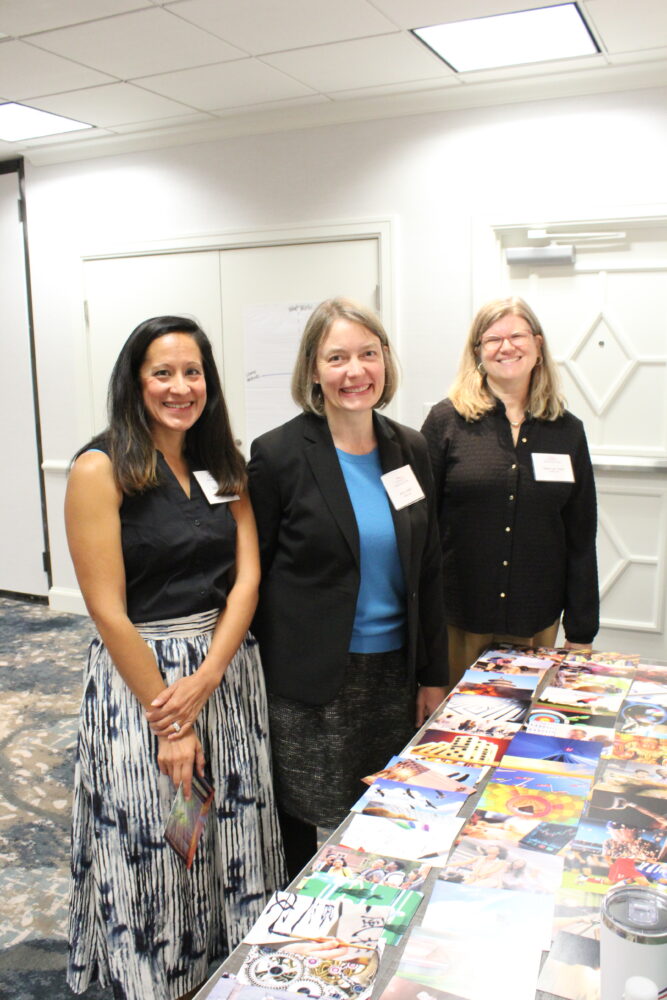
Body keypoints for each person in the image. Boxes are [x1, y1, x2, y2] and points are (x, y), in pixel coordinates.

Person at [65, 315, 285, 1000]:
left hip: (223, 674)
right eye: (163, 372)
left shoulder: (223, 465)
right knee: (166, 828)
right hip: (146, 685)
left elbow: (246, 578)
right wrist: (173, 720)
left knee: (230, 824)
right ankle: (164, 976)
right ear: (136, 381)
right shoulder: (100, 468)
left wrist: (212, 674)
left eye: (193, 373)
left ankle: (226, 963)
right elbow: (106, 608)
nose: (180, 387)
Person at [248, 297, 448, 878]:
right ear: (313, 368)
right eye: (337, 358)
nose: (354, 371)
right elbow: (253, 575)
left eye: (367, 354)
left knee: (385, 820)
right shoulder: (280, 454)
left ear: (385, 360)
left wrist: (432, 675)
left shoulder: (410, 448)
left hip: (393, 674)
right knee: (306, 823)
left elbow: (428, 569)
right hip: (313, 680)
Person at [421, 296, 599, 689]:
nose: (506, 347)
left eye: (517, 335)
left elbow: (581, 535)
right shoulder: (444, 422)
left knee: (526, 737)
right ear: (478, 353)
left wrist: (582, 630)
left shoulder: (567, 430)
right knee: (460, 744)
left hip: (536, 620)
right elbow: (421, 529)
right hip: (459, 619)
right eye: (492, 339)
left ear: (538, 346)